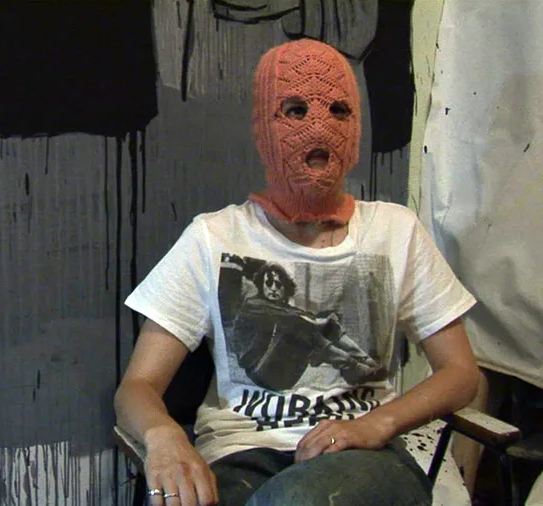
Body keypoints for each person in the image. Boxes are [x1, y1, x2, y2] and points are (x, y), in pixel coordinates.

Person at [113, 38, 480, 506]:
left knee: (298, 499)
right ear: (263, 127)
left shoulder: (396, 231)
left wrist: (377, 423)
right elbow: (137, 387)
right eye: (295, 110)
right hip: (239, 456)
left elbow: (461, 373)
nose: (318, 129)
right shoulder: (213, 238)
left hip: (364, 458)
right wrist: (164, 437)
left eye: (338, 110)